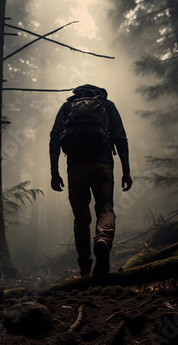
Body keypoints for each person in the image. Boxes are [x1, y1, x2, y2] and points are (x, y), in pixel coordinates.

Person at [49, 83, 132, 279]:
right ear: (99, 93)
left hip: (76, 168)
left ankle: (85, 266)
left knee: (81, 218)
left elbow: (54, 138)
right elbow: (120, 138)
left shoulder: (66, 107)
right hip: (102, 165)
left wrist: (54, 172)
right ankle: (102, 240)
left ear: (76, 94)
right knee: (105, 208)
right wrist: (126, 171)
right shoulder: (107, 105)